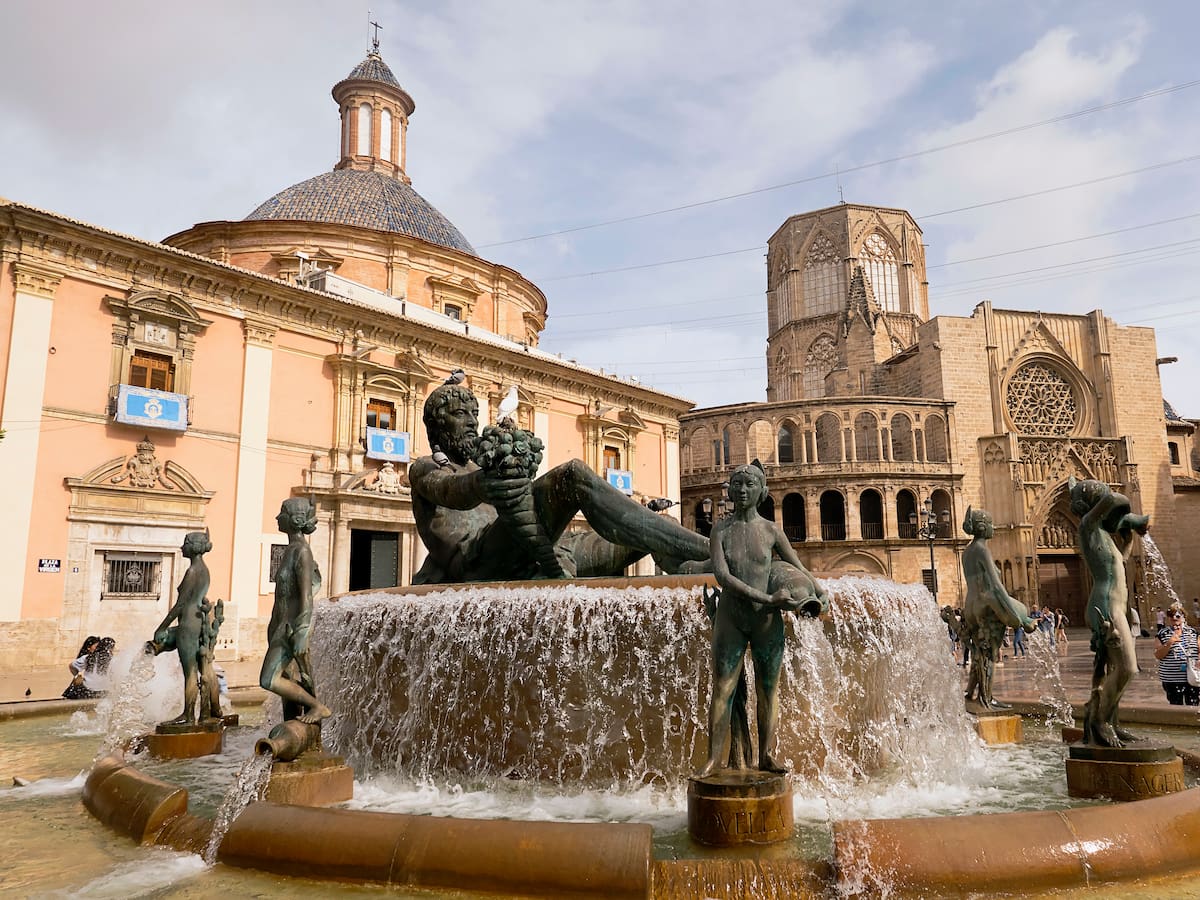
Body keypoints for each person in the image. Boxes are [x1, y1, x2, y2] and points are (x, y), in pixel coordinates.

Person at [409, 382, 710, 583]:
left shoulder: (481, 465)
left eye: (475, 414)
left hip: (531, 553)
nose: (473, 422)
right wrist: (484, 483)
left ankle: (703, 567)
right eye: (461, 414)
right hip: (481, 559)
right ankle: (708, 548)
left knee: (650, 529)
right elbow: (450, 492)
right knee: (572, 475)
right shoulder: (425, 468)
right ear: (436, 423)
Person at [697, 463, 826, 777]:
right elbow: (723, 577)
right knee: (723, 688)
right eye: (737, 484)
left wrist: (818, 591)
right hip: (732, 617)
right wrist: (768, 599)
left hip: (766, 622)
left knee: (769, 689)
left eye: (749, 485)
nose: (742, 490)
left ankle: (766, 755)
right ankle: (714, 758)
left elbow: (797, 565)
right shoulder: (721, 530)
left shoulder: (771, 530)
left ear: (762, 491)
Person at [1069, 475, 1148, 747]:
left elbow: (1116, 566)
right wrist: (1132, 518)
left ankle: (1110, 721)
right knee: (1128, 669)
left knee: (1111, 669)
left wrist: (1126, 544)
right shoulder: (1088, 526)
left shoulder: (1102, 535)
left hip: (1114, 605)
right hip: (1105, 607)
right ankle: (1100, 721)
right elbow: (1115, 499)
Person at [260, 498, 331, 724]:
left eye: (282, 513)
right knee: (287, 682)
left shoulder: (302, 551)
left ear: (296, 520)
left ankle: (317, 706)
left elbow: (306, 595)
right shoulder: (290, 550)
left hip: (291, 628)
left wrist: (302, 631)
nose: (277, 517)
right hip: (280, 627)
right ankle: (292, 728)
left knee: (269, 680)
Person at [959, 507, 1037, 708]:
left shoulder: (967, 552)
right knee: (990, 654)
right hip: (986, 606)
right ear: (983, 527)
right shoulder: (982, 550)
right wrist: (1014, 616)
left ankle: (970, 693)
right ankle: (987, 698)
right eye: (991, 524)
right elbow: (995, 585)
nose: (994, 528)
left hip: (970, 606)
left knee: (978, 651)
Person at [147, 530, 214, 725]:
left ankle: (188, 714)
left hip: (188, 624)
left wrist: (162, 627)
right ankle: (205, 711)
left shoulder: (193, 571)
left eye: (185, 543)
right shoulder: (204, 570)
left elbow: (181, 604)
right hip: (198, 621)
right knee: (200, 669)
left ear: (193, 547)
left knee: (190, 671)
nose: (182, 547)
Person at [1155, 602, 1200, 705]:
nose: (1174, 618)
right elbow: (1158, 655)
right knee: (1176, 705)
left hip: (1192, 678)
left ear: (1184, 616)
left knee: (1193, 706)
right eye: (1171, 615)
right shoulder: (1162, 633)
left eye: (1178, 615)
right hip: (1172, 679)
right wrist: (1170, 642)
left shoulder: (1192, 632)